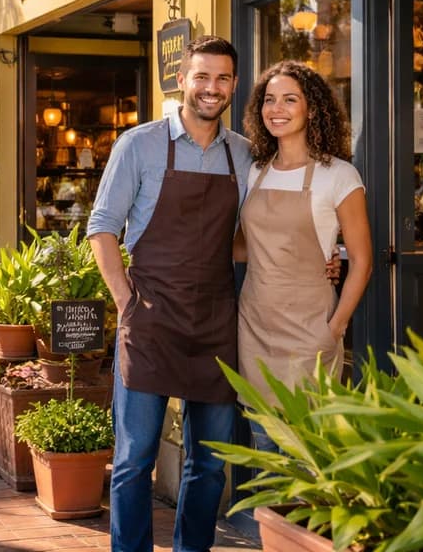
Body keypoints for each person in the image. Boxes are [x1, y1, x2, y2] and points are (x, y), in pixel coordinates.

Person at [87, 36, 251, 552]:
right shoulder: (139, 144)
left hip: (216, 322)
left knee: (209, 461)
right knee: (135, 459)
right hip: (151, 319)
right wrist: (125, 302)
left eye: (222, 78)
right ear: (183, 80)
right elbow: (102, 227)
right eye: (202, 77)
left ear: (234, 85)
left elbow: (247, 238)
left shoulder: (243, 154)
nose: (212, 88)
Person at [235, 60, 373, 449]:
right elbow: (248, 246)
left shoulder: (339, 175)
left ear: (312, 108)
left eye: (289, 99)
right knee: (265, 447)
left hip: (310, 328)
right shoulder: (255, 171)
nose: (276, 109)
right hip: (256, 323)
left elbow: (361, 260)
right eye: (269, 100)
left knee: (308, 452)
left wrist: (336, 327)